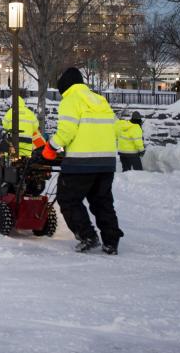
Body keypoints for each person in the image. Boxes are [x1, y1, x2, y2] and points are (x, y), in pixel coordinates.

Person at [50, 67, 123, 254]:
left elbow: (66, 132)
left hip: (80, 164)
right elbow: (117, 129)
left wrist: (50, 147)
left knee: (68, 199)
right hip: (106, 164)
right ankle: (111, 241)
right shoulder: (100, 100)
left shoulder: (70, 101)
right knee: (102, 202)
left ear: (65, 87)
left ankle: (87, 235)